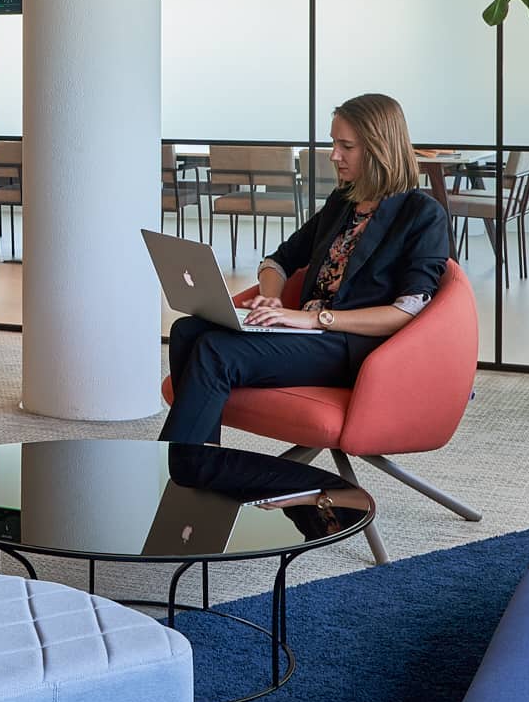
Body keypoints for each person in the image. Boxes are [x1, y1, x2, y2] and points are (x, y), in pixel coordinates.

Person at [161, 92, 452, 446]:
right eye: (334, 143)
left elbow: (407, 311)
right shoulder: (342, 203)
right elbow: (279, 260)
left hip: (351, 346)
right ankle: (200, 466)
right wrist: (271, 300)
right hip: (306, 333)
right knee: (187, 331)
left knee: (215, 352)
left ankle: (180, 476)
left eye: (346, 146)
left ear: (379, 148)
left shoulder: (422, 214)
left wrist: (316, 319)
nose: (334, 155)